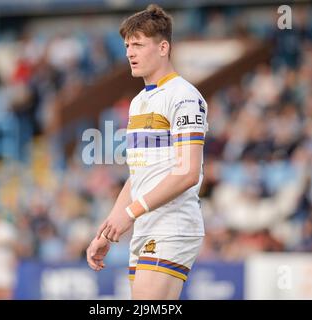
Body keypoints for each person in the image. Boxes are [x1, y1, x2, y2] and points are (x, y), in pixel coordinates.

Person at [86, 4, 208, 300]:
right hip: (146, 225)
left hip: (172, 223)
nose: (129, 52)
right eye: (127, 45)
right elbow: (139, 174)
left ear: (163, 47)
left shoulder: (184, 96)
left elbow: (188, 173)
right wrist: (107, 233)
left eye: (138, 44)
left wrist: (130, 213)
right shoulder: (139, 101)